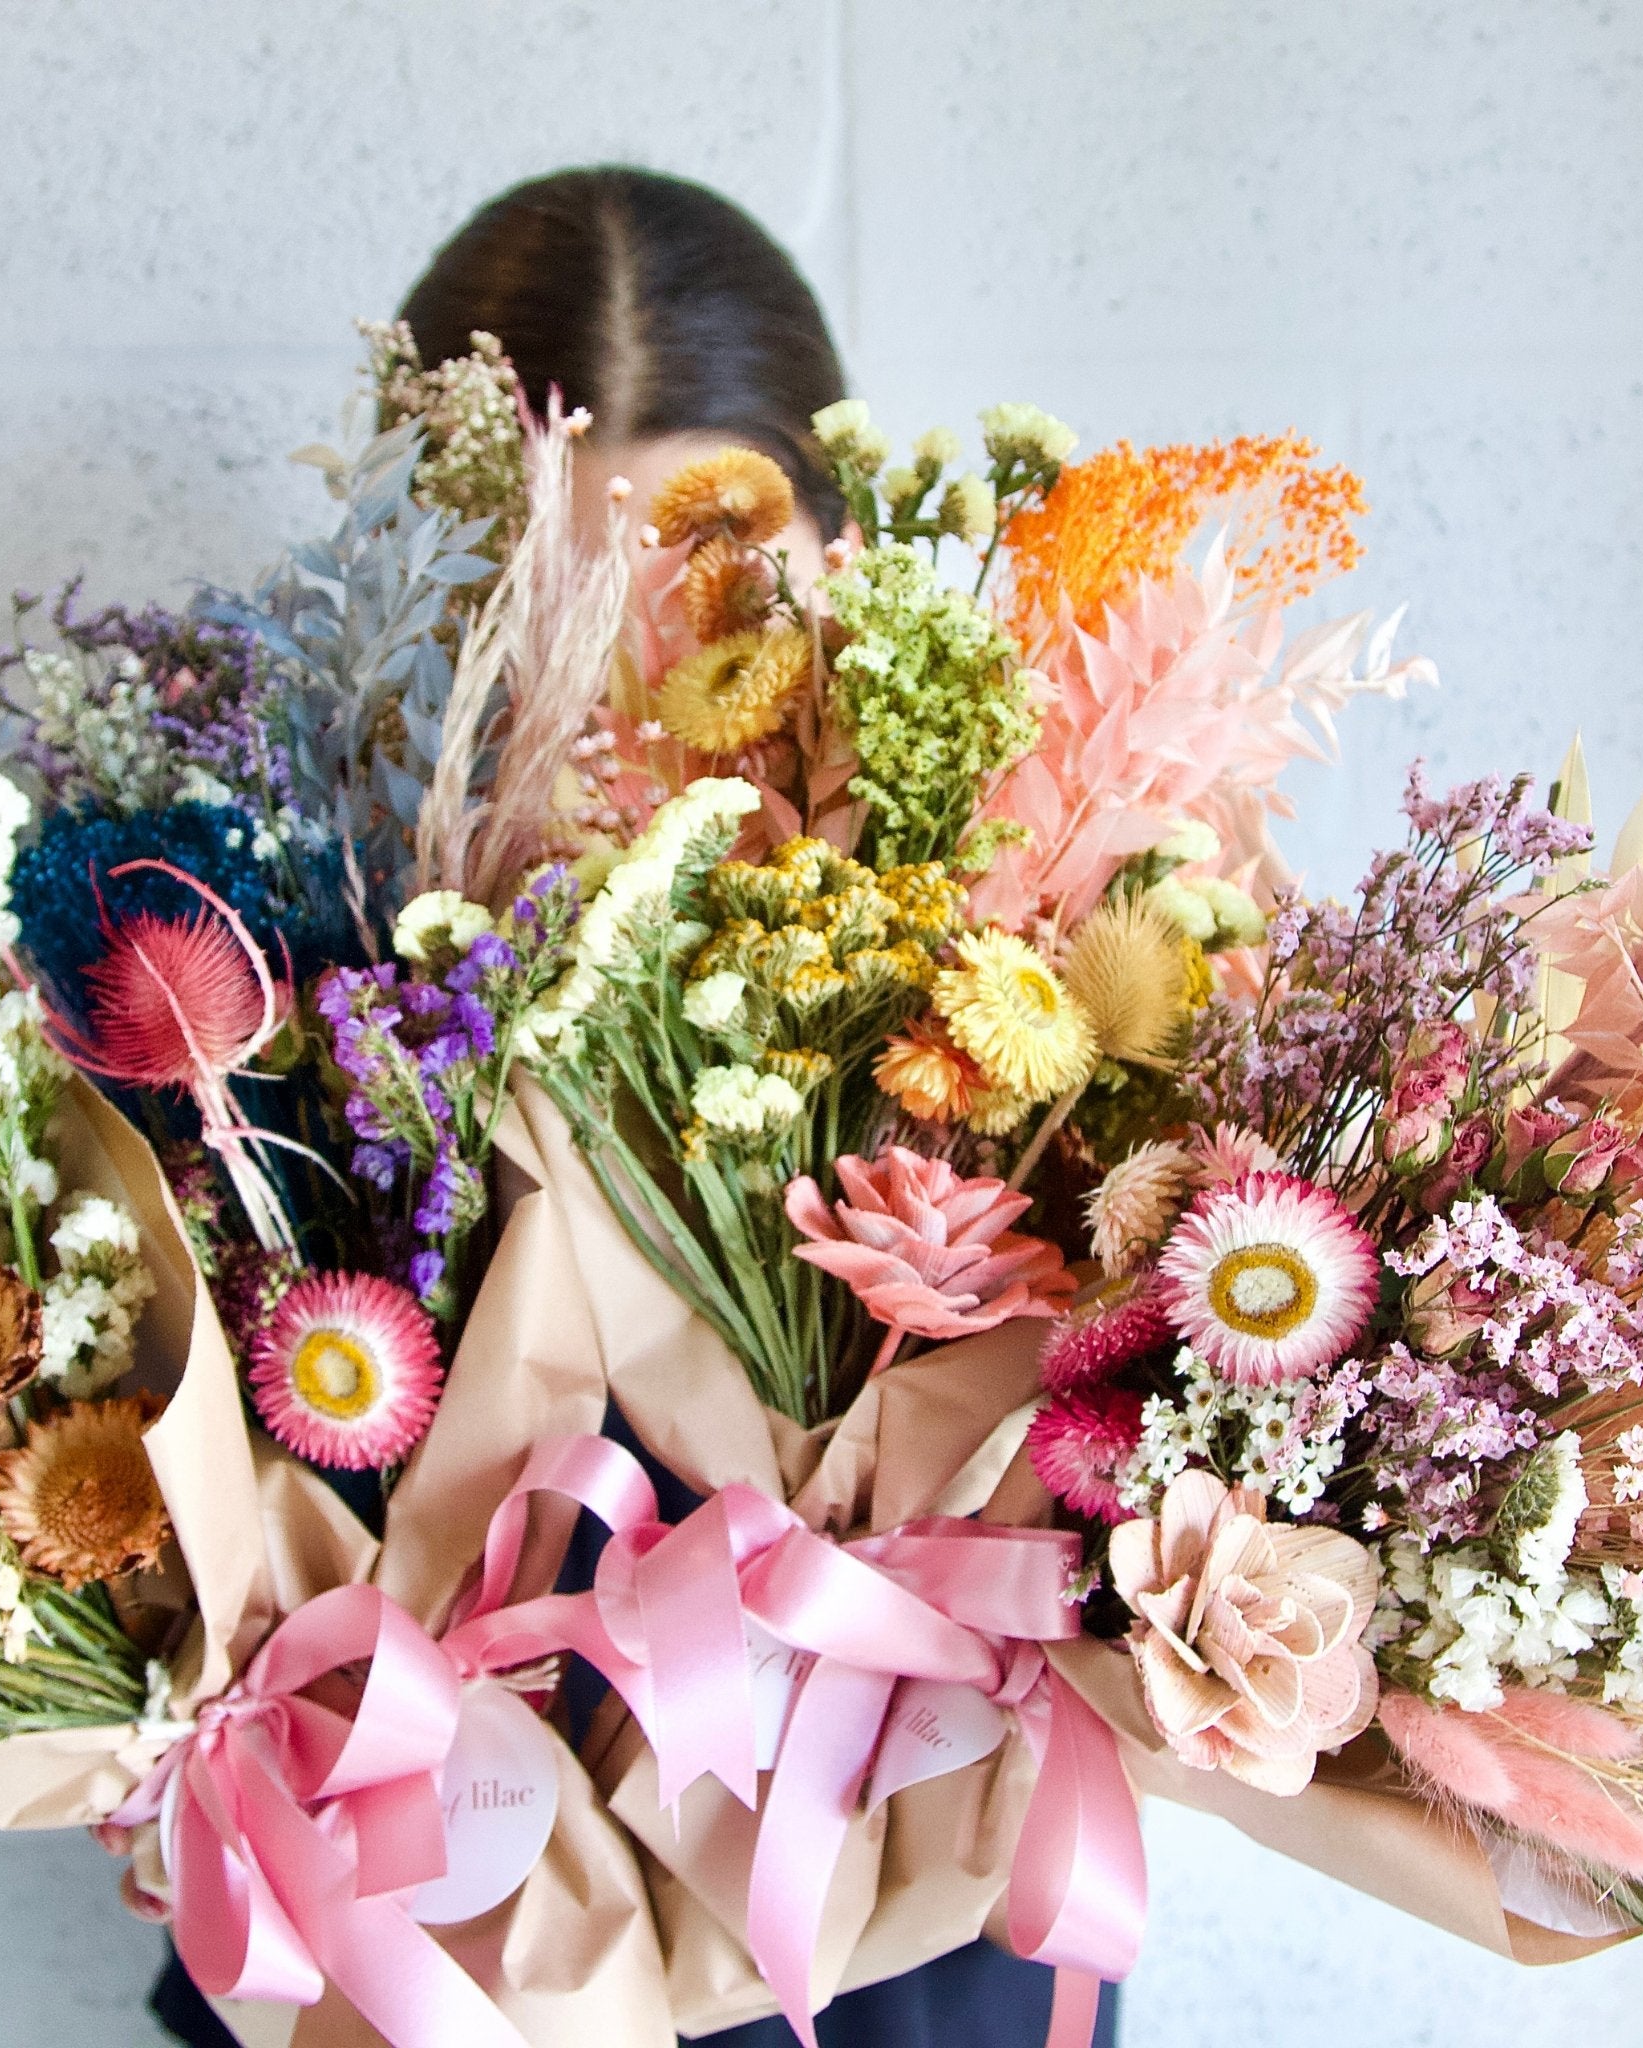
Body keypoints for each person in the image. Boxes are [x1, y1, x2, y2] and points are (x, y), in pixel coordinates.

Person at [149, 165, 1118, 2048]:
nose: (641, 703)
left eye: (711, 595)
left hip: (908, 1989)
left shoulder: (1026, 1008)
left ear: (843, 572)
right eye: (555, 611)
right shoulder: (267, 1026)